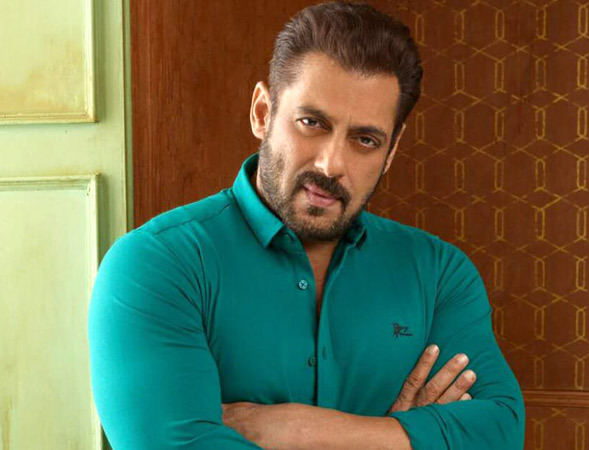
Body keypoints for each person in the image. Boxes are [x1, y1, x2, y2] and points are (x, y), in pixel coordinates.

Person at [88, 2, 525, 449]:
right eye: (312, 123)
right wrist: (399, 438)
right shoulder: (157, 266)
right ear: (263, 112)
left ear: (391, 152)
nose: (331, 164)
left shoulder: (439, 274)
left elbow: (500, 430)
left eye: (365, 140)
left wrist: (300, 429)